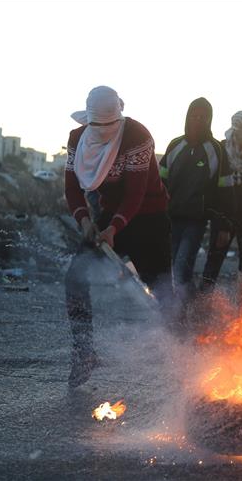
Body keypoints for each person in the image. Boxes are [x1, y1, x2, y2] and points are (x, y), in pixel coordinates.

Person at [64, 86, 171, 388]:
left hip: (149, 217)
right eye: (97, 125)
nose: (104, 131)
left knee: (163, 291)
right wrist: (85, 220)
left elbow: (136, 193)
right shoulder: (77, 140)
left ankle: (184, 356)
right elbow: (72, 188)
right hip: (109, 214)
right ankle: (84, 352)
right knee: (75, 278)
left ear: (119, 118)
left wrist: (114, 229)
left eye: (110, 125)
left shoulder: (137, 136)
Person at [159, 97, 236, 301]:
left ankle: (184, 311)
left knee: (182, 266)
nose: (198, 120)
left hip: (196, 221)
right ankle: (183, 307)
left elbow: (226, 192)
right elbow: (159, 181)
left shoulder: (216, 150)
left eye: (203, 117)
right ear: (187, 117)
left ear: (209, 120)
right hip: (170, 218)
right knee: (171, 268)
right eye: (194, 116)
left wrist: (224, 227)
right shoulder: (175, 145)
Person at [201, 110, 242, 289]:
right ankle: (202, 299)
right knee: (214, 261)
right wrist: (215, 216)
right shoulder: (221, 148)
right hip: (224, 216)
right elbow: (212, 185)